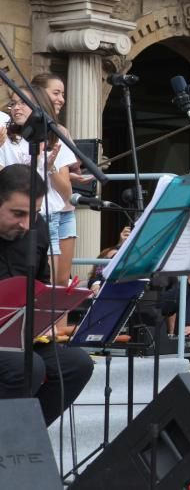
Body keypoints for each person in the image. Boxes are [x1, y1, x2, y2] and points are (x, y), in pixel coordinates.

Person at [0, 165, 94, 424]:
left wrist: (47, 316)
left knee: (76, 364)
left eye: (34, 214)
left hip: (20, 336)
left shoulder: (36, 228)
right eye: (17, 213)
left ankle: (28, 439)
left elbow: (41, 283)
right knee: (28, 367)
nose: (26, 224)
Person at [0, 87, 75, 280]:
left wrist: (50, 168)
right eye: (13, 103)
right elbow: (8, 181)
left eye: (23, 103)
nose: (16, 108)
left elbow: (67, 194)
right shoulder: (5, 138)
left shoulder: (54, 139)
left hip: (45, 216)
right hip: (12, 216)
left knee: (54, 283)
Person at [31, 73, 79, 287]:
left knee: (62, 281)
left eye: (63, 94)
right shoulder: (21, 132)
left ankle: (60, 322)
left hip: (64, 208)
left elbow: (68, 176)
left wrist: (55, 169)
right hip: (43, 210)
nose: (61, 99)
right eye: (56, 93)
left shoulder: (59, 131)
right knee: (48, 279)